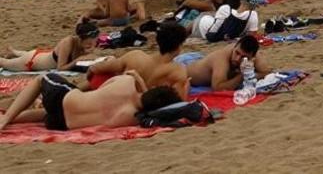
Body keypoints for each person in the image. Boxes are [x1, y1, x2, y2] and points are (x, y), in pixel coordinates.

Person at [0, 69, 180, 133]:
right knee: (45, 114)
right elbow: (147, 104)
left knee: (42, 78)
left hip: (63, 99)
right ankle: (12, 117)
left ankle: (6, 119)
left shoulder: (126, 82)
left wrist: (139, 80)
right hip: (62, 124)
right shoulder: (133, 118)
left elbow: (100, 91)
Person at [85, 21, 190, 98]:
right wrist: (186, 87)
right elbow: (179, 103)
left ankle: (78, 91)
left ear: (158, 41)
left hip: (120, 98)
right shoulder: (178, 71)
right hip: (138, 106)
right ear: (179, 45)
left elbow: (98, 68)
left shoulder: (135, 56)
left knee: (110, 63)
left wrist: (91, 71)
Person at [1, 21, 100, 72]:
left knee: (28, 54)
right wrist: (79, 60)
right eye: (88, 44)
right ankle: (14, 53)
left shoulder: (83, 44)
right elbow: (60, 68)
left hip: (41, 55)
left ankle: (14, 52)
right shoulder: (68, 42)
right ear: (80, 39)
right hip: (31, 62)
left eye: (94, 44)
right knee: (4, 63)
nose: (91, 47)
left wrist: (88, 53)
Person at [185, 35, 269, 90]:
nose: (237, 59)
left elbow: (265, 72)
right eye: (237, 53)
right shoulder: (221, 59)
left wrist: (250, 73)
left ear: (252, 57)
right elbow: (218, 88)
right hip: (188, 73)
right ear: (234, 46)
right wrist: (243, 75)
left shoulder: (251, 53)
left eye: (243, 57)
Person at [191, 0, 265, 42]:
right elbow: (251, 36)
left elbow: (213, 30)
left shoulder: (225, 9)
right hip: (205, 31)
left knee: (201, 17)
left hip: (204, 25)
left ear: (241, 0)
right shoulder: (252, 15)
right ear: (254, 6)